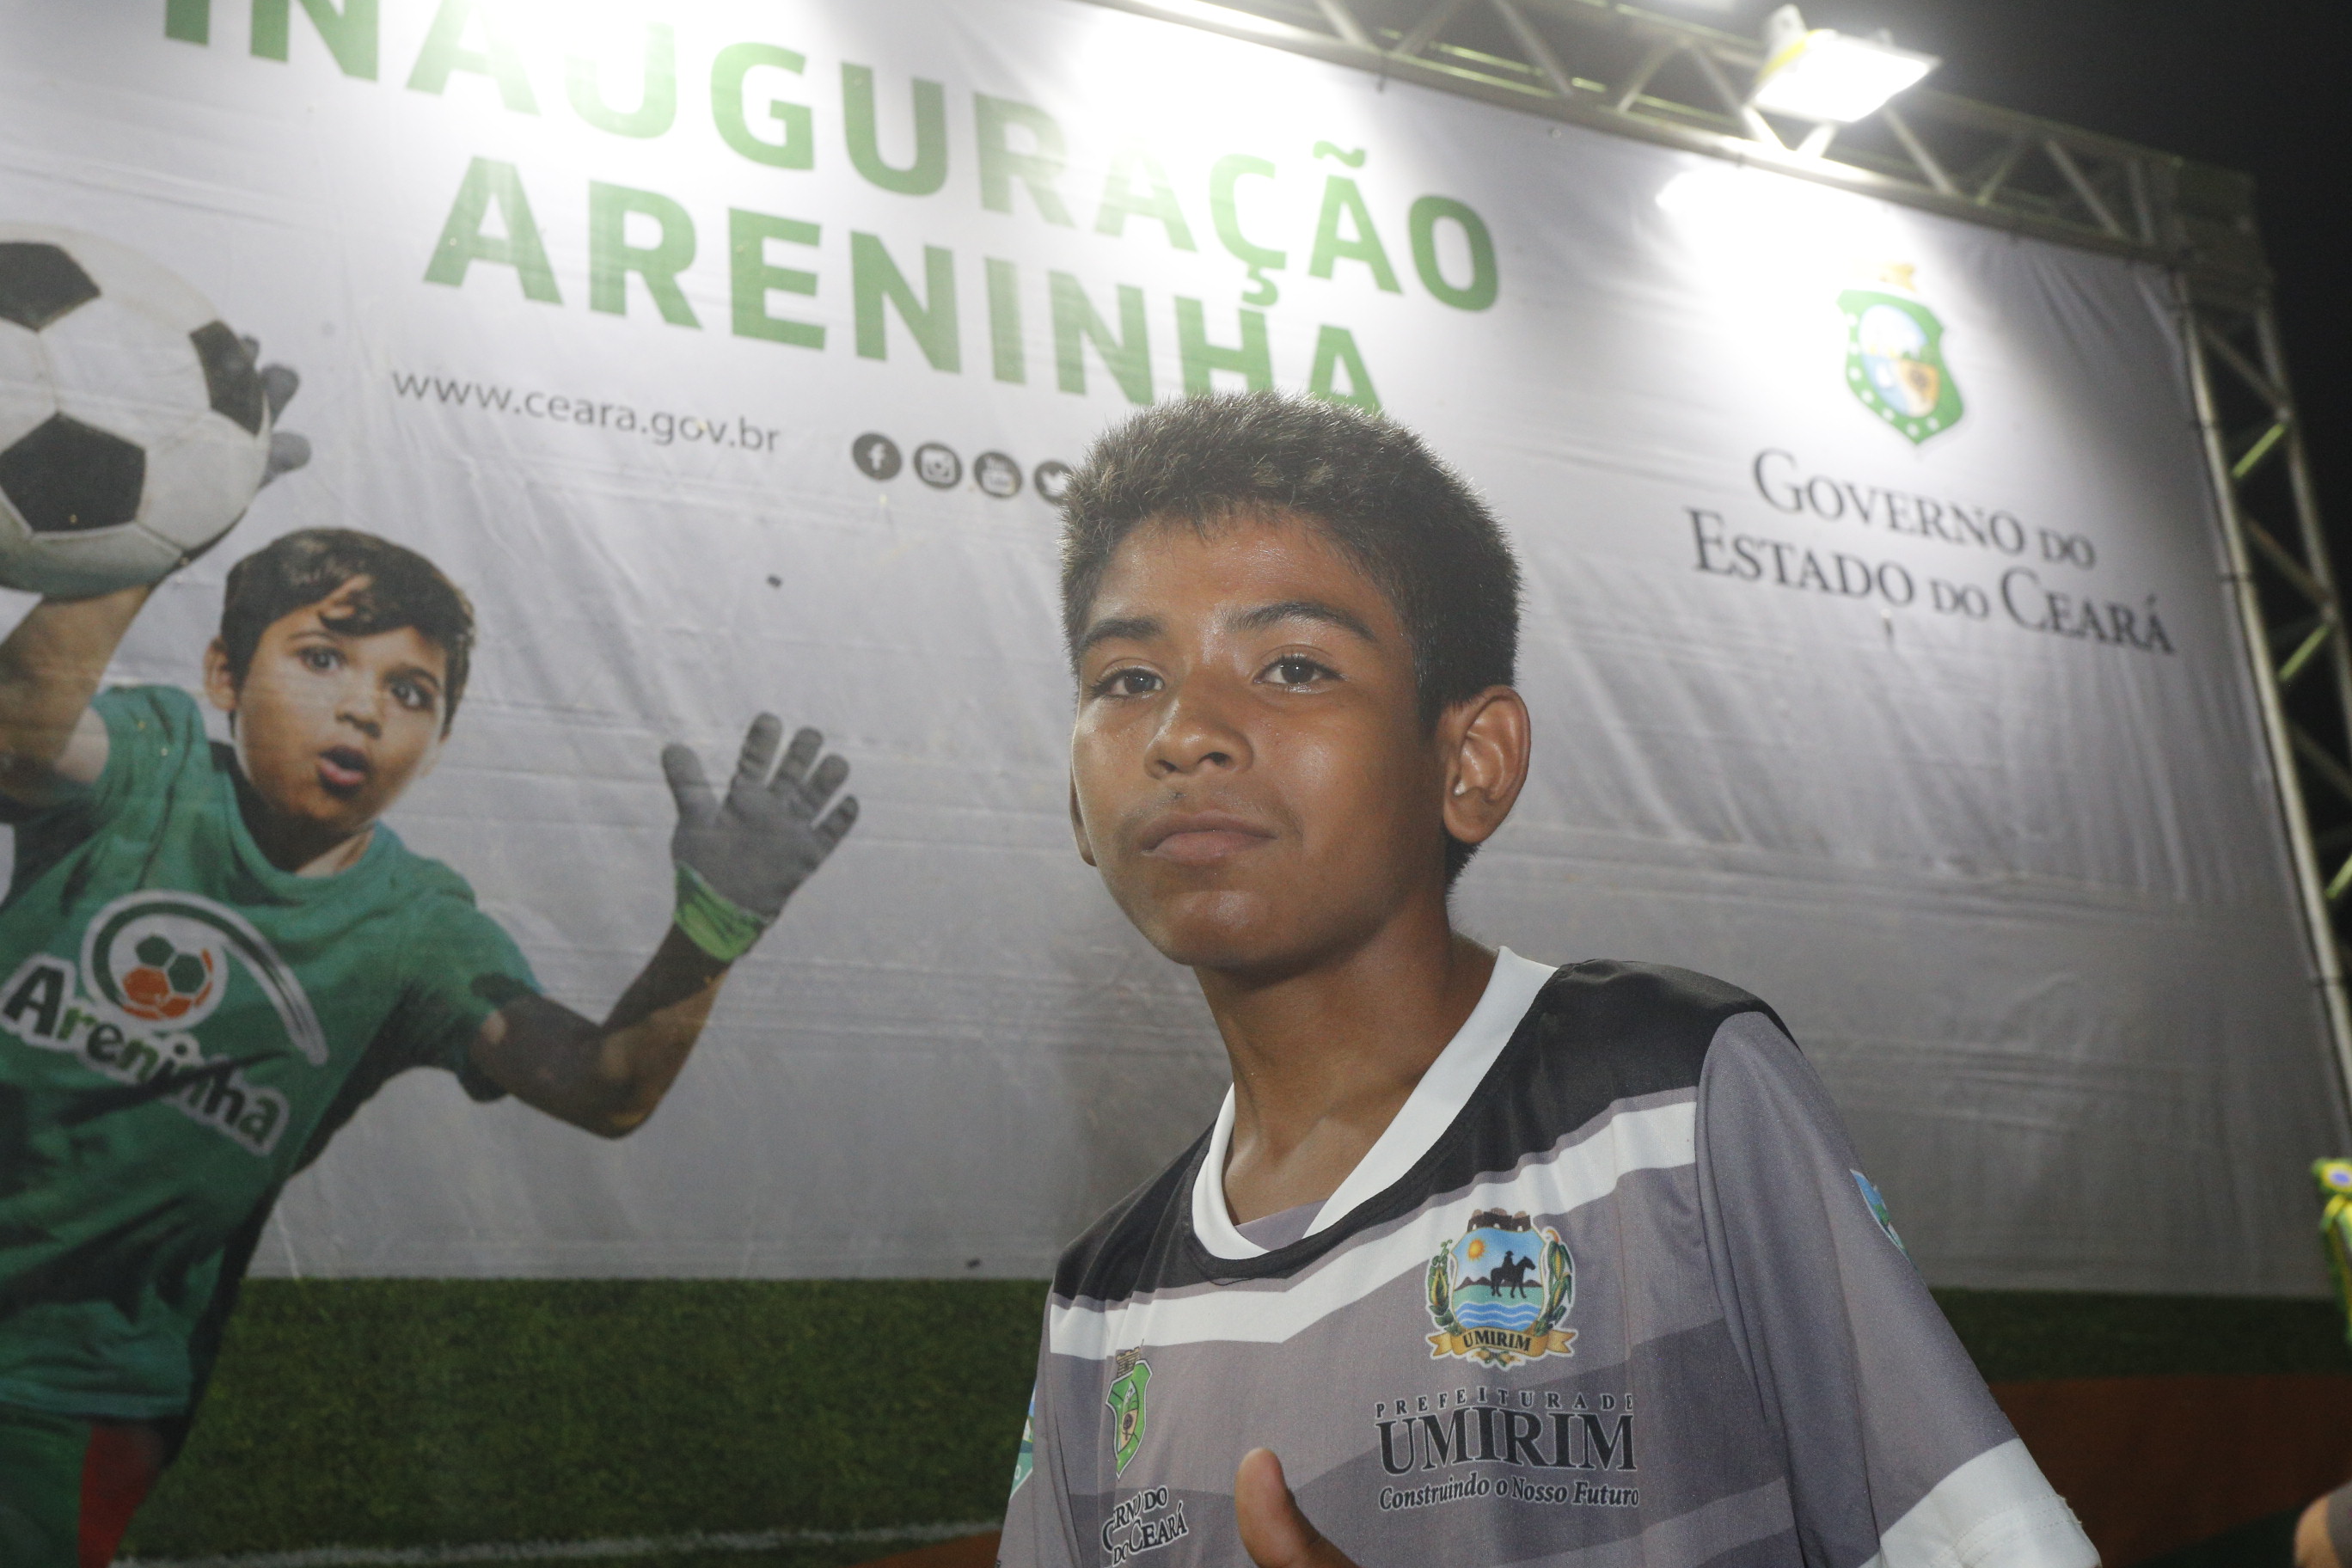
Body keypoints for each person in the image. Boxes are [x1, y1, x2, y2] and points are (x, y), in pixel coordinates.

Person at [996, 390, 2096, 1568]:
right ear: (1074, 799)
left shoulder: (1670, 1106)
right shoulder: (1104, 1307)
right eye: (1125, 681)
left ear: (1471, 762)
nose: (1186, 732)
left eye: (1295, 665)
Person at [0, 518, 855, 1566]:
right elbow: (16, 736)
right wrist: (150, 529)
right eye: (322, 660)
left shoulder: (417, 931)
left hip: (64, 1392)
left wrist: (712, 930)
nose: (363, 706)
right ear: (226, 673)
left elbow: (603, 1087)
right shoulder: (154, 757)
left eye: (412, 693)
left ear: (439, 742)